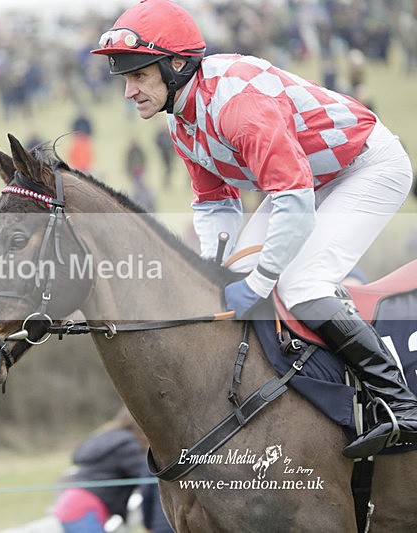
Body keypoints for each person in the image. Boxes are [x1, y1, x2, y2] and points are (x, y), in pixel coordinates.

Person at [92, 0, 416, 458]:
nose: (128, 91)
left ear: (177, 64)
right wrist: (214, 272)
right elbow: (214, 203)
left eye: (138, 75)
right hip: (306, 179)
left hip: (364, 168)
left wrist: (262, 278)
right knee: (233, 284)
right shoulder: (183, 120)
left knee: (300, 284)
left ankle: (403, 406)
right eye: (125, 78)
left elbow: (294, 201)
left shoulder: (237, 106)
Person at [53, 406, 163, 532]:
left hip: (70, 503)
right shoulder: (127, 446)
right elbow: (148, 477)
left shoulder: (108, 437)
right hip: (85, 508)